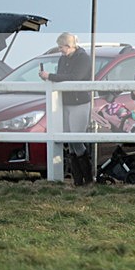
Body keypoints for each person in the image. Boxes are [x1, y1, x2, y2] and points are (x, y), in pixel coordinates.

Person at [38, 32, 93, 186]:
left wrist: (50, 76)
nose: (60, 50)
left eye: (62, 47)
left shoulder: (83, 58)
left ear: (69, 46)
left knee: (76, 139)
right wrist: (52, 76)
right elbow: (64, 75)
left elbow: (75, 77)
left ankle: (86, 179)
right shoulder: (64, 58)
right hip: (66, 102)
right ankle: (78, 180)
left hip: (79, 102)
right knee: (70, 140)